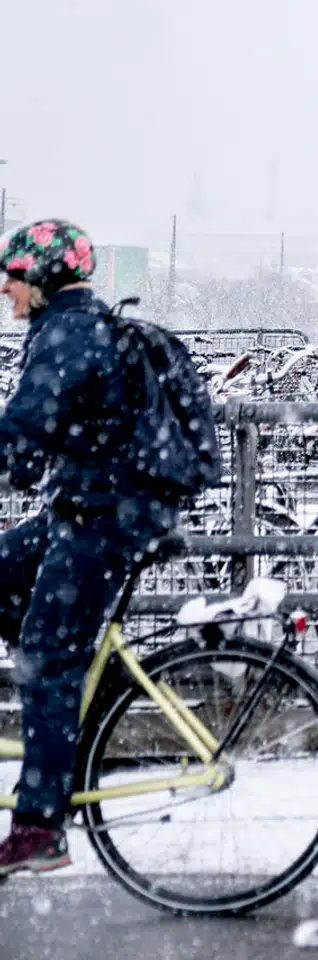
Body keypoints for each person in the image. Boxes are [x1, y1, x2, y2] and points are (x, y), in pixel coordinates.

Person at [0, 220, 184, 874]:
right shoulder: (72, 327)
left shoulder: (67, 334)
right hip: (88, 505)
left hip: (101, 518)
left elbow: (23, 428)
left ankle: (40, 827)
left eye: (15, 277)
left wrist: (15, 455)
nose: (6, 289)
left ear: (45, 280)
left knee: (49, 655)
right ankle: (65, 710)